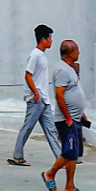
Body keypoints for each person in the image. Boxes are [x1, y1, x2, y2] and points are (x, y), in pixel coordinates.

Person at [9, 24, 60, 167]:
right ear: (43, 39)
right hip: (36, 100)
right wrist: (35, 93)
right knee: (28, 127)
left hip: (44, 100)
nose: (51, 41)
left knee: (51, 129)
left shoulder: (42, 56)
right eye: (50, 38)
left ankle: (60, 157)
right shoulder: (35, 55)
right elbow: (28, 75)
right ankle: (17, 155)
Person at [42, 40, 88, 191]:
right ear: (70, 52)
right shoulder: (61, 70)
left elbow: (73, 92)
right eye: (77, 50)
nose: (79, 53)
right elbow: (59, 95)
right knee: (69, 151)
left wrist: (80, 113)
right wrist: (68, 116)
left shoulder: (70, 69)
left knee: (74, 153)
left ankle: (70, 186)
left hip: (75, 118)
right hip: (65, 120)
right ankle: (50, 173)